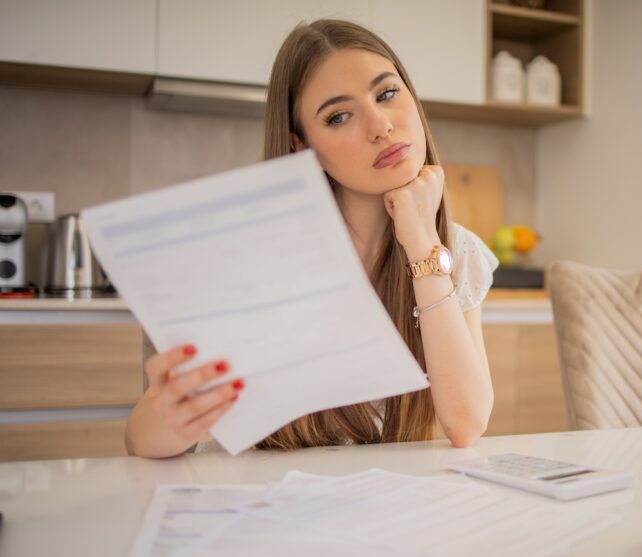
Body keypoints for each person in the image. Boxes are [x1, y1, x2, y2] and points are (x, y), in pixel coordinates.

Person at [125, 19, 498, 458]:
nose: (381, 126)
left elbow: (466, 424)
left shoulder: (455, 250)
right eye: (339, 116)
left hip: (380, 510)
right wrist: (171, 417)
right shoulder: (245, 256)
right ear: (302, 147)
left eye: (387, 94)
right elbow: (142, 440)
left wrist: (421, 244)